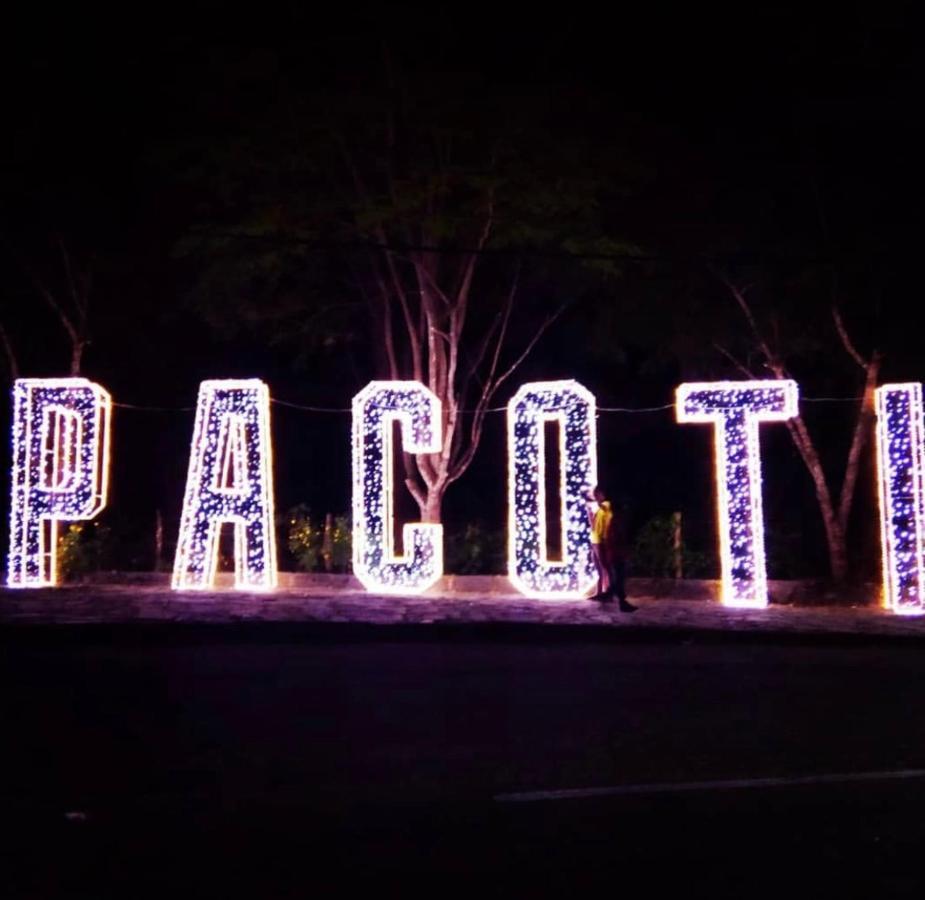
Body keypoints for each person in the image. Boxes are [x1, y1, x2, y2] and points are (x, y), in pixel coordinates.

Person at [587, 486, 637, 612]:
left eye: (597, 494)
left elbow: (616, 534)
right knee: (615, 574)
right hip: (604, 543)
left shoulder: (606, 507)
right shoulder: (606, 513)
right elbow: (595, 525)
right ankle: (612, 596)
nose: (595, 497)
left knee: (614, 572)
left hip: (607, 544)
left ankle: (609, 594)